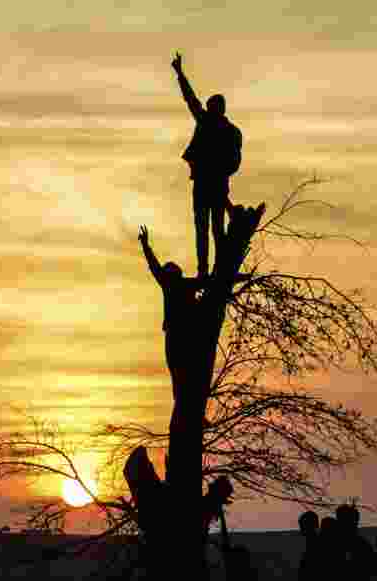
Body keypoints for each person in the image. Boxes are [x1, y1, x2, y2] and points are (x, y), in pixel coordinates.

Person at [171, 52, 243, 279]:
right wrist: (180, 74)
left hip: (212, 183)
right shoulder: (223, 127)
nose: (208, 109)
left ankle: (211, 271)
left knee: (210, 229)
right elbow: (191, 100)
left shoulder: (225, 130)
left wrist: (180, 74)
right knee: (209, 229)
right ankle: (208, 271)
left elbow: (234, 161)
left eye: (211, 106)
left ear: (217, 108)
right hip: (209, 183)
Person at [139, 225, 208, 435]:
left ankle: (190, 415)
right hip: (180, 337)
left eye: (170, 272)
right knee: (182, 378)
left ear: (174, 274)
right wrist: (145, 246)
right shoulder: (181, 285)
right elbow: (155, 266)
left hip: (181, 338)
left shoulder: (178, 285)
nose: (168, 274)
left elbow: (154, 267)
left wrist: (146, 246)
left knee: (182, 378)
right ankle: (189, 415)